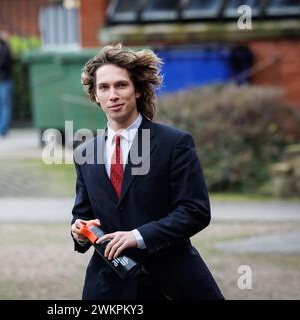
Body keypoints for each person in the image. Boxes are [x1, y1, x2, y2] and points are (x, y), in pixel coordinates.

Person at [71, 44, 224, 300]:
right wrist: (79, 231)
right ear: (95, 96)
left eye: (121, 85)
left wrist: (137, 236)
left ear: (138, 90)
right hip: (108, 287)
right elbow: (82, 214)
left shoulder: (174, 143)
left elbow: (195, 211)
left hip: (171, 282)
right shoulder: (84, 152)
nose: (113, 95)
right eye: (104, 88)